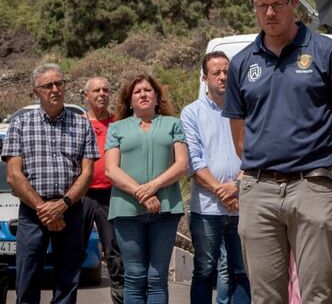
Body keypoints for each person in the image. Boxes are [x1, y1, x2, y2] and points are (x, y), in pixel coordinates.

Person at [223, 0, 332, 304]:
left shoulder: (327, 52)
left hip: (312, 185)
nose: (269, 13)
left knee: (320, 293)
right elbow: (241, 139)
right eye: (261, 5)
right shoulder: (241, 63)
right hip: (258, 189)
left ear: (294, 2)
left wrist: (327, 176)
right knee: (265, 297)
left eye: (277, 4)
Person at [4, 63, 99, 304]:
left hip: (71, 210)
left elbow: (87, 174)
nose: (55, 89)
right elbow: (14, 176)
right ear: (36, 91)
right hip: (32, 213)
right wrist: (44, 209)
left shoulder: (81, 124)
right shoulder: (19, 125)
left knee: (68, 281)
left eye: (59, 83)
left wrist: (63, 205)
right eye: (48, 85)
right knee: (27, 277)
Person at [105, 73, 187, 304]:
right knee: (134, 275)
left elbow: (181, 164)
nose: (143, 94)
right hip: (127, 211)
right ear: (129, 100)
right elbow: (111, 170)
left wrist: (153, 187)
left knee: (157, 277)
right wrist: (141, 194)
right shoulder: (117, 128)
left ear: (156, 95)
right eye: (137, 91)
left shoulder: (173, 124)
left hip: (166, 210)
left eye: (148, 90)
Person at [182, 52, 250, 304]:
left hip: (243, 204)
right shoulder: (191, 113)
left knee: (242, 271)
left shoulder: (246, 108)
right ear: (204, 78)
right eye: (216, 73)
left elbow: (254, 153)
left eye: (227, 72)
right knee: (205, 270)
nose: (223, 77)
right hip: (207, 207)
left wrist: (237, 186)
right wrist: (223, 192)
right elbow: (194, 160)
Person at [81, 76, 125, 304]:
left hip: (111, 195)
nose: (101, 94)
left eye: (105, 90)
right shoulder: (77, 123)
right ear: (86, 95)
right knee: (71, 251)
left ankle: (120, 298)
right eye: (96, 90)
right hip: (82, 196)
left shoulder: (118, 124)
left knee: (115, 253)